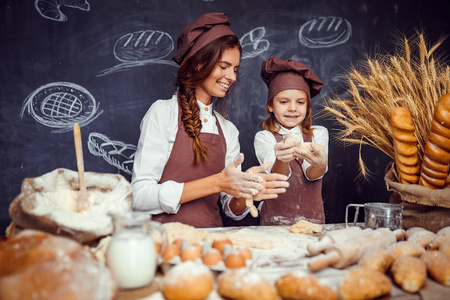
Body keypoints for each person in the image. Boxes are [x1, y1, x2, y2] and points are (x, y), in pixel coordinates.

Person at [131, 13, 289, 228]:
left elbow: (231, 210)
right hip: (164, 242)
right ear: (198, 64)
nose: (232, 77)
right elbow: (140, 198)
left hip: (212, 243)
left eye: (235, 69)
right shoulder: (162, 113)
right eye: (223, 67)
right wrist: (216, 182)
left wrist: (245, 191)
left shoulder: (228, 130)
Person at [254, 56, 328, 226]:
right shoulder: (264, 138)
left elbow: (311, 174)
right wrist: (281, 157)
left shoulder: (319, 134)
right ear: (271, 106)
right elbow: (279, 176)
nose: (293, 108)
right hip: (273, 223)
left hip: (312, 222)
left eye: (300, 102)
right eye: (284, 101)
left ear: (307, 107)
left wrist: (320, 163)